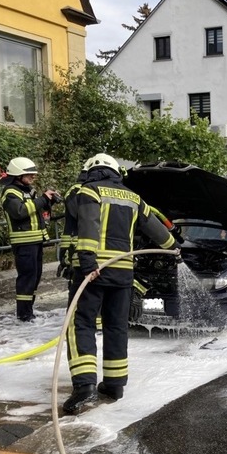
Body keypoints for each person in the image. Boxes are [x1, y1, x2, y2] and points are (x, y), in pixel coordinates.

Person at [63, 153, 180, 415]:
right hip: (123, 274)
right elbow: (155, 228)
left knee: (80, 324)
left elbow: (89, 225)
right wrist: (174, 248)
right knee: (116, 327)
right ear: (116, 172)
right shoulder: (133, 197)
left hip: (93, 272)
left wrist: (87, 260)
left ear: (91, 171)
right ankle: (114, 385)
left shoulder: (90, 191)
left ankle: (84, 387)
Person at [0, 157, 62, 321]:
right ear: (18, 174)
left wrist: (49, 202)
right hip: (24, 243)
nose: (33, 177)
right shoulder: (10, 192)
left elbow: (36, 212)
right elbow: (19, 212)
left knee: (34, 277)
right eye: (30, 175)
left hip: (35, 241)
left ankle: (29, 311)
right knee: (26, 279)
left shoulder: (29, 191)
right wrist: (42, 199)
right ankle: (24, 315)